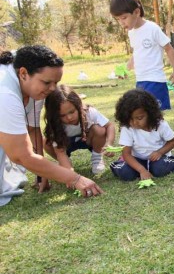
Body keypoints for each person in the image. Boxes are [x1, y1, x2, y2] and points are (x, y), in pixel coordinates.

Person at [0, 46, 102, 201]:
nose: (53, 88)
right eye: (47, 82)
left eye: (56, 82)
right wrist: (75, 178)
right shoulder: (6, 95)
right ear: (23, 74)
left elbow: (33, 129)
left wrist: (41, 173)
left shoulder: (34, 85)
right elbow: (21, 156)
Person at [109, 0, 174, 110]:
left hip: (155, 81)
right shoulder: (131, 32)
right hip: (140, 81)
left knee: (154, 117)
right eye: (118, 20)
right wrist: (126, 69)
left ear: (136, 12)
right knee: (143, 116)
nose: (121, 23)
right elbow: (137, 53)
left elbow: (168, 49)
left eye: (124, 18)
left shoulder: (152, 28)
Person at [110, 89, 174, 181]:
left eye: (139, 118)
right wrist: (142, 170)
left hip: (158, 159)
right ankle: (123, 163)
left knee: (160, 170)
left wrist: (159, 152)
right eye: (130, 119)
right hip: (136, 159)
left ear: (150, 113)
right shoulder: (128, 128)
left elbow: (172, 142)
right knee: (126, 173)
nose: (135, 122)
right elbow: (126, 154)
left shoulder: (160, 125)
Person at [43, 84, 116, 178]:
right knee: (46, 142)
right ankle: (66, 164)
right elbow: (60, 152)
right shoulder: (55, 125)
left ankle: (97, 158)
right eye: (62, 115)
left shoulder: (89, 112)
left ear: (78, 106)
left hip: (87, 139)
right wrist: (71, 176)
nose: (69, 118)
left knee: (99, 130)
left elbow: (109, 125)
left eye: (72, 112)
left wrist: (109, 143)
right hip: (65, 143)